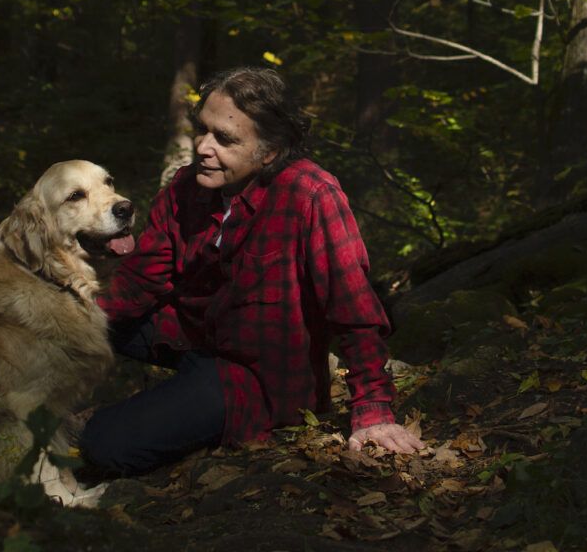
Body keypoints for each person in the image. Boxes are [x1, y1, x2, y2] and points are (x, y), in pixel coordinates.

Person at [79, 66, 424, 476]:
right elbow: (140, 281)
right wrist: (64, 320)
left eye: (224, 139)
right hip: (191, 336)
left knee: (103, 443)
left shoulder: (310, 194)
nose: (204, 147)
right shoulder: (186, 187)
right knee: (76, 318)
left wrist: (373, 409)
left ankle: (179, 414)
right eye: (202, 130)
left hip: (256, 374)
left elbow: (354, 309)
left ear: (270, 151)